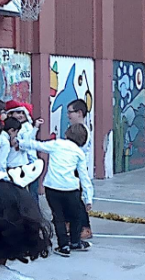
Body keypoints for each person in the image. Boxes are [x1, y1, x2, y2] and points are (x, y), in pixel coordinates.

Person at [19, 124, 93, 256]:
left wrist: (20, 142)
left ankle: (63, 245)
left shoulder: (56, 144)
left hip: (52, 187)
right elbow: (84, 176)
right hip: (71, 188)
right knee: (75, 216)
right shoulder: (79, 153)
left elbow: (37, 145)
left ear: (66, 134)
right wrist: (88, 198)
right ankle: (75, 242)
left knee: (58, 217)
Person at [67, 99, 93, 240]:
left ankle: (85, 227)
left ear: (79, 113)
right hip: (72, 168)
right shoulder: (74, 129)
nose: (68, 116)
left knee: (76, 200)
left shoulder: (82, 131)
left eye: (70, 112)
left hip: (77, 169)